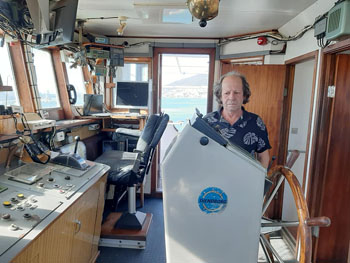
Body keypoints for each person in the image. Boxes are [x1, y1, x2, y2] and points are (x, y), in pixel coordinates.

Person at [203, 71, 271, 168]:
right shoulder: (207, 121)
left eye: (237, 92)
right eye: (227, 93)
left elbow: (263, 156)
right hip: (213, 180)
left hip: (244, 180)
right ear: (220, 96)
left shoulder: (256, 122)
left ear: (244, 95)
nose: (232, 97)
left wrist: (259, 181)